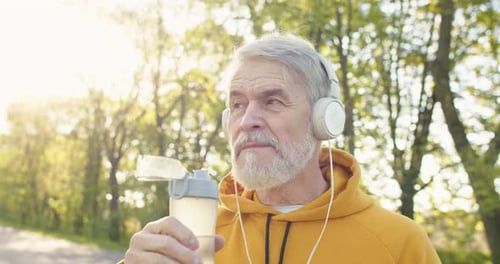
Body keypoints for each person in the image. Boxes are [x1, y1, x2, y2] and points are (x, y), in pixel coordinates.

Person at [121, 33, 441, 264]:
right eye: (237, 104)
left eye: (272, 101)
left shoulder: (399, 243)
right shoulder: (190, 238)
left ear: (323, 120)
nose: (247, 120)